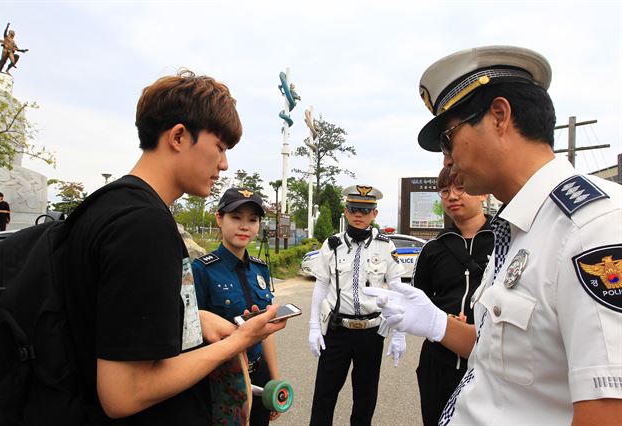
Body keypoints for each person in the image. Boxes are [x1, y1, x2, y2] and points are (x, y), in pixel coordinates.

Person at [363, 46, 622, 425]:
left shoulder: (591, 227)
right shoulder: (520, 229)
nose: (447, 161)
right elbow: (506, 359)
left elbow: (606, 409)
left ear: (499, 116)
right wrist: (438, 323)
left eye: (448, 138)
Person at [62, 70, 287, 424]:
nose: (224, 163)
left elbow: (104, 317)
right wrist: (238, 341)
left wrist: (193, 318)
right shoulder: (144, 226)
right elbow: (124, 394)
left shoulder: (105, 206)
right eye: (220, 147)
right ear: (179, 136)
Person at [308, 185, 407, 426]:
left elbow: (398, 290)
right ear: (346, 211)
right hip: (336, 331)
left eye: (365, 210)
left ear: (374, 213)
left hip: (371, 333)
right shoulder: (332, 245)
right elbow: (321, 286)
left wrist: (400, 332)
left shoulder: (385, 246)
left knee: (365, 397)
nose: (359, 214)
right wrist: (313, 327)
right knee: (324, 394)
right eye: (354, 209)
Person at [192, 187, 282, 425]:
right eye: (236, 217)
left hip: (259, 372)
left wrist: (274, 379)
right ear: (219, 219)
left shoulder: (260, 268)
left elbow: (267, 330)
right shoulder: (202, 270)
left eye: (252, 220)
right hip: (221, 379)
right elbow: (192, 335)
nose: (245, 226)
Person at [412, 166, 494, 426]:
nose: (452, 196)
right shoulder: (432, 249)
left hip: (491, 363)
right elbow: (419, 302)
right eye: (445, 190)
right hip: (439, 360)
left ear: (483, 193)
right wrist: (445, 319)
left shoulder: (505, 240)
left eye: (461, 187)